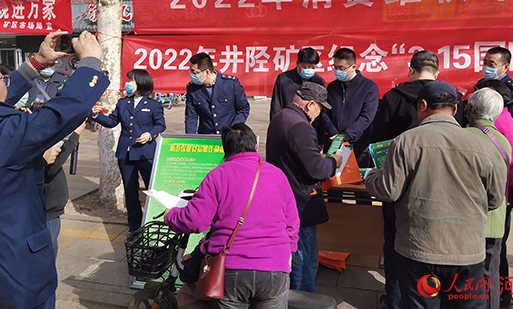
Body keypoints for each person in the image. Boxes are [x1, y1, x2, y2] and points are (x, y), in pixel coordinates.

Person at [365, 81, 506, 308]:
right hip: (467, 251)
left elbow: (388, 191)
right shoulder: (484, 145)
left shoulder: (405, 142)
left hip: (418, 250)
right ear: (456, 108)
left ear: (422, 105)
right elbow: (496, 199)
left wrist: (372, 175)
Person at [0, 30, 109, 309]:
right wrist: (90, 64)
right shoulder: (7, 133)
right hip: (17, 278)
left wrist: (36, 63)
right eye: (2, 78)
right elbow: (59, 115)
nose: (6, 81)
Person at [165, 123, 300, 308]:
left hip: (232, 269)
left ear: (225, 150)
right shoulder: (278, 175)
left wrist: (170, 216)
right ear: (255, 146)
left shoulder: (217, 176)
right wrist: (289, 251)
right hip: (275, 269)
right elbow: (292, 222)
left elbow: (195, 220)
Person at [370, 50, 439, 309]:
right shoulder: (448, 98)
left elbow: (378, 140)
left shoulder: (393, 97)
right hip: (435, 182)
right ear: (437, 72)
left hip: (396, 182)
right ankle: (426, 297)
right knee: (430, 243)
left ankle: (395, 300)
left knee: (394, 241)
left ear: (411, 70)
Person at [266, 82, 342, 293]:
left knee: (299, 253)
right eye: (320, 108)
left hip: (284, 193)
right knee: (303, 257)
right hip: (300, 199)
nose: (320, 114)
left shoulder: (280, 117)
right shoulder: (301, 126)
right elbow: (316, 169)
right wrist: (333, 162)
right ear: (310, 105)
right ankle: (304, 299)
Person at [92, 69, 166, 232]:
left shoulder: (154, 104)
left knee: (152, 190)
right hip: (125, 154)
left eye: (131, 80)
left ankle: (155, 223)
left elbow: (160, 125)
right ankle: (135, 228)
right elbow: (112, 122)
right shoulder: (122, 103)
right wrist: (96, 115)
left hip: (146, 153)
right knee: (130, 191)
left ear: (141, 83)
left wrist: (149, 134)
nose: (128, 84)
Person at [474, 80, 513, 309]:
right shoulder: (504, 120)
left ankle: (503, 296)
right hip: (501, 197)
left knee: (494, 256)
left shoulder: (501, 123)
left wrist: (509, 197)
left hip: (498, 199)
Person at [465, 88, 511, 309]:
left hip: (466, 222)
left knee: (462, 280)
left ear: (472, 109)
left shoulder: (463, 137)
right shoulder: (503, 140)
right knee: (490, 278)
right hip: (493, 222)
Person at [320, 47, 378, 167]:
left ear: (353, 67)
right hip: (333, 143)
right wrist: (334, 134)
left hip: (358, 144)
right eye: (335, 67)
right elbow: (324, 112)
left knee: (357, 177)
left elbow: (367, 116)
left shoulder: (369, 87)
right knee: (332, 177)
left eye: (341, 68)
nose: (337, 71)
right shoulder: (332, 87)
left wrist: (345, 136)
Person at [45, 121, 85, 258]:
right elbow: (51, 166)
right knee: (46, 257)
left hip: (48, 209)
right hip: (45, 211)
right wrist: (74, 135)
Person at [185, 53, 250, 135]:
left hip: (229, 135)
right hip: (207, 137)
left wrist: (233, 129)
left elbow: (243, 109)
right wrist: (190, 138)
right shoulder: (192, 89)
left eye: (195, 72)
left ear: (207, 72)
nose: (192, 75)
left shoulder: (230, 84)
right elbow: (191, 116)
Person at [476, 46, 513, 131]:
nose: (486, 67)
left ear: (505, 67)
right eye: (485, 63)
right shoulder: (481, 83)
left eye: (492, 64)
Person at [270, 47, 325, 120]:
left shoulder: (319, 82)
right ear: (297, 63)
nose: (309, 70)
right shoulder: (283, 79)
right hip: (289, 122)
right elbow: (276, 107)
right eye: (306, 67)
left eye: (313, 68)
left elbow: (321, 109)